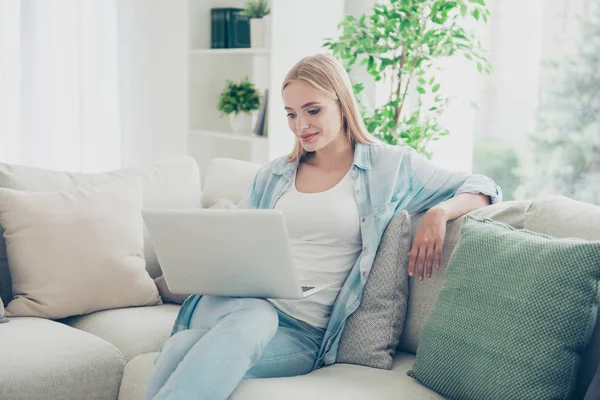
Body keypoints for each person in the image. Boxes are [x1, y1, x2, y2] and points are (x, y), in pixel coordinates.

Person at [144, 53, 502, 399]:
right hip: (235, 308)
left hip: (304, 336)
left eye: (313, 110)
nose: (301, 126)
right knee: (255, 314)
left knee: (181, 348)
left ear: (342, 103)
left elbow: (484, 186)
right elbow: (233, 243)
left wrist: (440, 213)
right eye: (291, 114)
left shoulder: (391, 167)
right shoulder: (272, 176)